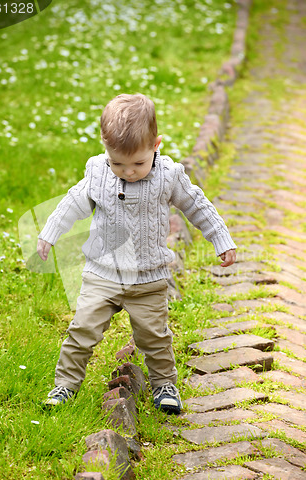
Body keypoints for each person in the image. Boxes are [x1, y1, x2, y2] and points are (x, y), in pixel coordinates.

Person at [37, 93, 237, 414]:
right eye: (118, 163)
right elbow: (72, 203)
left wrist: (221, 238)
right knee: (81, 331)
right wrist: (50, 233)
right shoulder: (98, 172)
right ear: (105, 147)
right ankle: (65, 385)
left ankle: (164, 386)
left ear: (156, 144)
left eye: (138, 164)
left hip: (148, 278)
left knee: (155, 338)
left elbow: (197, 205)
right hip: (102, 275)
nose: (128, 172)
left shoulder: (168, 176)